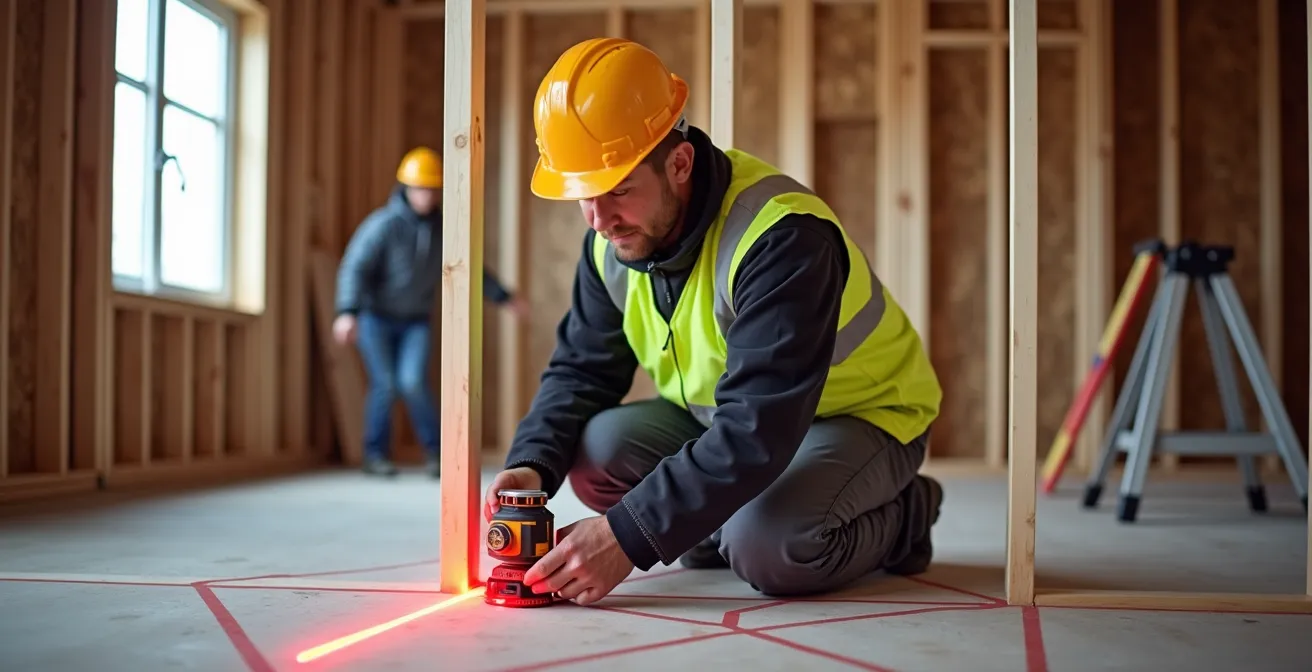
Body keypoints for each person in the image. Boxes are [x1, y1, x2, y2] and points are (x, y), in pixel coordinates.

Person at [484, 37, 944, 606]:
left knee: (770, 547)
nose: (600, 219)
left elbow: (759, 427)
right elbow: (581, 370)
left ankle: (906, 515)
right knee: (597, 452)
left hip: (861, 415)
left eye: (619, 190)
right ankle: (730, 517)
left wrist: (627, 537)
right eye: (583, 195)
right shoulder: (612, 242)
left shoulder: (780, 237)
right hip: (723, 419)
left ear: (679, 163)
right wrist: (530, 466)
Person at [334, 146, 529, 478]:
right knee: (385, 384)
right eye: (420, 188)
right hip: (374, 318)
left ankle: (437, 454)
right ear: (406, 188)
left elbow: (470, 268)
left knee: (412, 383)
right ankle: (375, 455)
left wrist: (504, 296)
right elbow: (355, 267)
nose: (426, 195)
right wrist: (347, 311)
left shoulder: (443, 230)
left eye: (431, 189)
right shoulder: (383, 225)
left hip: (415, 322)